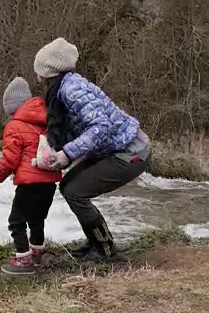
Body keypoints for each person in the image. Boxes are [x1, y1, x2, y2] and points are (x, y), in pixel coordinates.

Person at [33, 37, 152, 262]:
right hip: (115, 149)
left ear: (49, 71)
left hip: (131, 151)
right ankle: (97, 241)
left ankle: (105, 249)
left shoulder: (71, 89)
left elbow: (101, 127)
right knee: (69, 187)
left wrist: (67, 153)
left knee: (76, 191)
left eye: (39, 70)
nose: (37, 77)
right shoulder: (65, 88)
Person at [0, 77, 63, 275]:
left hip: (29, 184)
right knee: (37, 219)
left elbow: (9, 160)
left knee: (16, 221)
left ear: (12, 108)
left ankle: (23, 260)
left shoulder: (14, 126)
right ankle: (37, 253)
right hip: (49, 182)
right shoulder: (46, 120)